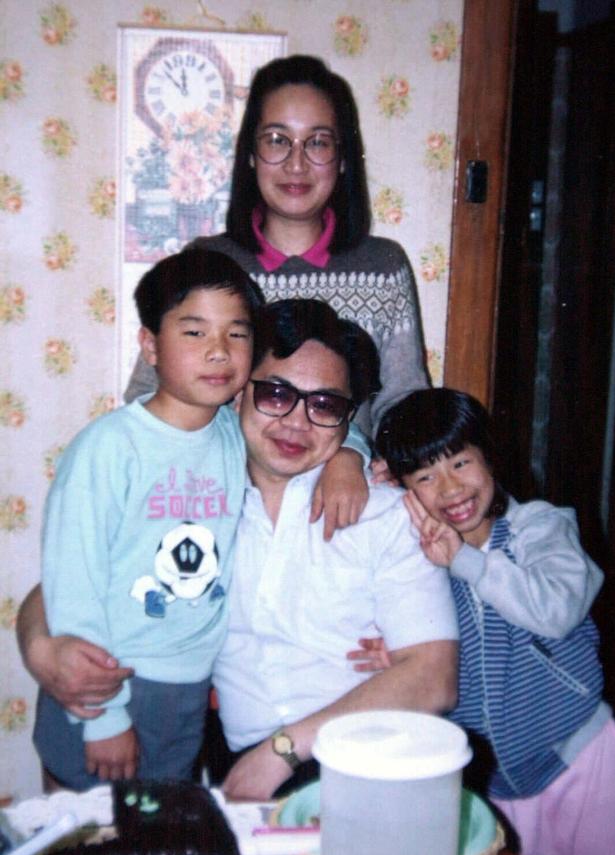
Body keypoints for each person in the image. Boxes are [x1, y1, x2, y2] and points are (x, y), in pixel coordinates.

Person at [19, 300, 458, 800]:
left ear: (346, 419)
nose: (297, 423)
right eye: (275, 394)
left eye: (324, 405)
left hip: (365, 761)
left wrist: (283, 751)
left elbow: (434, 676)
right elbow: (68, 581)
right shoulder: (192, 500)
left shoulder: (385, 516)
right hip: (238, 773)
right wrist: (39, 648)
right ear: (237, 395)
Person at [370, 387, 615, 855]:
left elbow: (556, 609)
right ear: (406, 492)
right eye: (426, 476)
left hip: (581, 759)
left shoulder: (540, 528)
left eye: (460, 463)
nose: (451, 489)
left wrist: (464, 561)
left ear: (490, 459)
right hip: (495, 788)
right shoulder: (423, 566)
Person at [125, 54, 429, 437]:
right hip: (230, 490)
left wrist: (371, 459)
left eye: (317, 142)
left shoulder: (383, 266)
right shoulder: (208, 264)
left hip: (351, 491)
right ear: (251, 155)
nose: (296, 164)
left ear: (343, 158)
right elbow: (150, 395)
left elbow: (404, 406)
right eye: (276, 140)